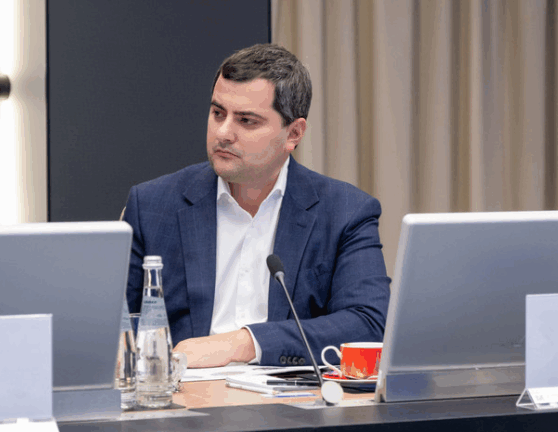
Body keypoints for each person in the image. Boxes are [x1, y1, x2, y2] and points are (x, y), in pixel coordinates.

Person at [122, 44, 390, 368]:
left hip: (290, 397)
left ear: (294, 134)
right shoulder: (153, 206)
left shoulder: (345, 212)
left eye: (246, 120)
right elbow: (114, 323)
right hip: (184, 392)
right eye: (218, 113)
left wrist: (246, 342)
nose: (223, 133)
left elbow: (368, 324)